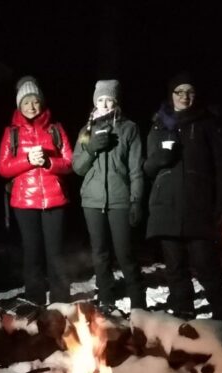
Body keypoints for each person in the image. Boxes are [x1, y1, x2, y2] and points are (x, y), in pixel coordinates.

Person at [144, 72, 222, 333]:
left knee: (207, 267)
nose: (184, 97)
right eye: (179, 91)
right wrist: (160, 158)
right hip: (166, 207)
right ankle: (183, 319)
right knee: (175, 270)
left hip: (197, 207)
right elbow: (148, 168)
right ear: (171, 94)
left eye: (190, 92)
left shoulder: (207, 124)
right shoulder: (158, 126)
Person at [0, 76, 74, 306]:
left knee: (56, 254)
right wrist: (28, 160)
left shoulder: (56, 128)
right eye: (26, 102)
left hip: (54, 199)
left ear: (41, 102)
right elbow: (3, 168)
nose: (31, 106)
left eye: (35, 101)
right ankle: (35, 301)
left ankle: (60, 302)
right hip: (24, 202)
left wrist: (50, 163)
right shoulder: (12, 132)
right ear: (19, 105)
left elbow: (70, 162)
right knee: (32, 254)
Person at [72, 80, 146, 314]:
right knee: (100, 254)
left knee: (125, 254)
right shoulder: (86, 131)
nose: (104, 104)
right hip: (92, 201)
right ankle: (106, 299)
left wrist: (136, 200)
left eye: (109, 100)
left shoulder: (129, 129)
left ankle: (139, 304)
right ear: (95, 102)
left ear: (116, 102)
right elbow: (78, 167)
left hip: (120, 200)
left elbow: (136, 169)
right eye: (100, 100)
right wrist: (92, 149)